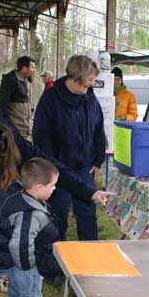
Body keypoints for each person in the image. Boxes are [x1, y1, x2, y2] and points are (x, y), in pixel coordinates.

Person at [0, 113, 113, 292]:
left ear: (2, 153)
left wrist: (89, 192)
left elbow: (53, 168)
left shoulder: (16, 143)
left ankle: (0, 271)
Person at [33, 54, 106, 241]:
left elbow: (98, 129)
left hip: (84, 165)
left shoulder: (90, 97)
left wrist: (97, 160)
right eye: (88, 81)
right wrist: (49, 167)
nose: (91, 84)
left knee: (88, 212)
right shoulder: (50, 98)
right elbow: (41, 135)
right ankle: (56, 258)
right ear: (74, 77)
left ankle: (91, 258)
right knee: (58, 213)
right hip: (58, 167)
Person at [0, 157, 62, 297]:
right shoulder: (30, 213)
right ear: (39, 187)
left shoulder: (19, 198)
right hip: (25, 266)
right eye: (52, 185)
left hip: (14, 266)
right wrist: (29, 266)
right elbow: (20, 245)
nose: (54, 189)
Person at [0, 56, 36, 138]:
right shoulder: (10, 80)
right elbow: (2, 105)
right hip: (15, 131)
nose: (34, 71)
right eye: (32, 68)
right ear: (24, 68)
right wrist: (8, 127)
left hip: (25, 130)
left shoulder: (25, 81)